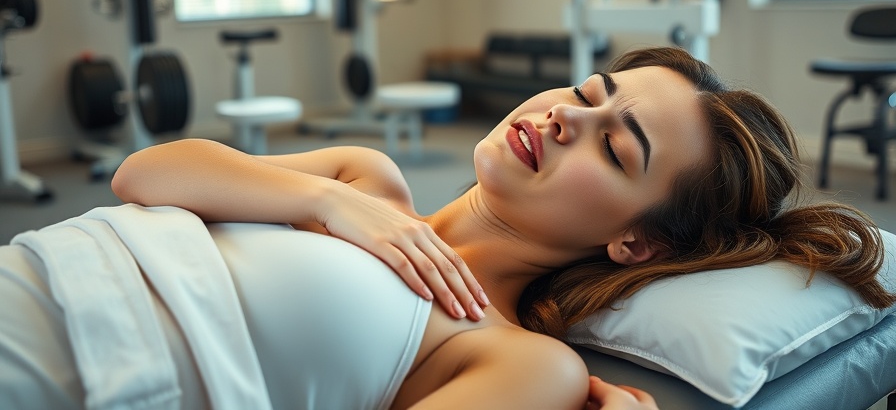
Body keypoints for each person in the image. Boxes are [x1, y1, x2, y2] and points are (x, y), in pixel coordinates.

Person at [4, 47, 893, 409]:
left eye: (615, 146)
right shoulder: (366, 180)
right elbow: (145, 173)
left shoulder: (519, 360)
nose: (565, 116)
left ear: (637, 244)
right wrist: (324, 203)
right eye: (589, 94)